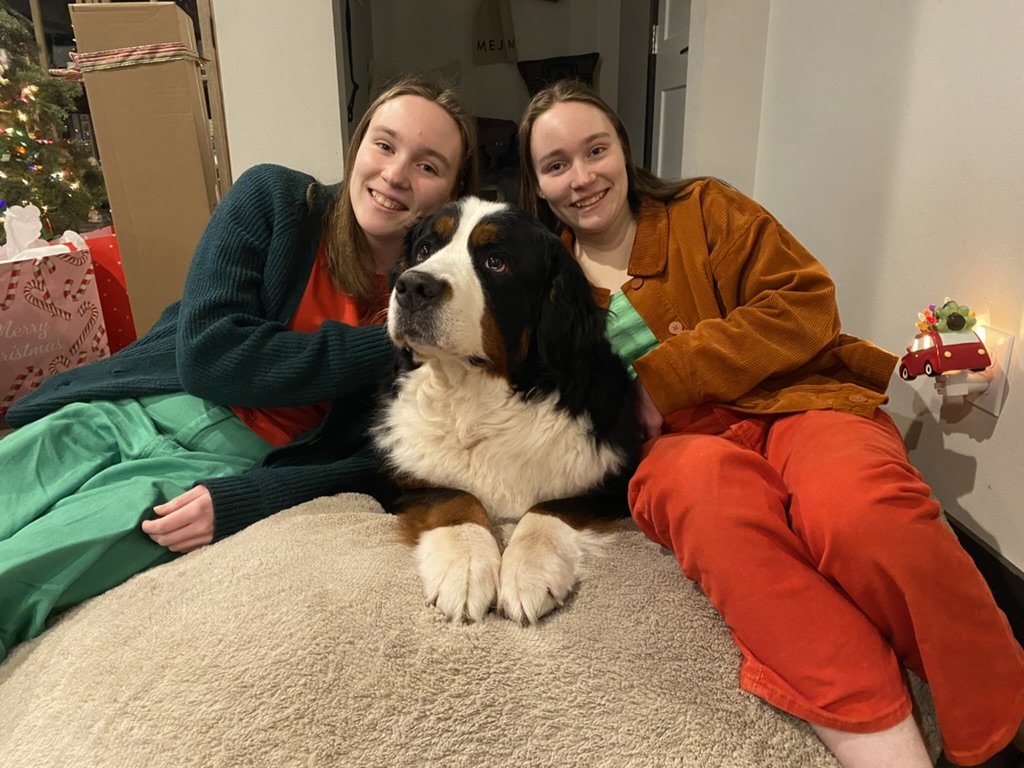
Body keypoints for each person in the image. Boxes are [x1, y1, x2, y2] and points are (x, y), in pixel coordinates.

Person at [516, 79, 1024, 768]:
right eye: (556, 165)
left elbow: (807, 305)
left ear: (623, 149)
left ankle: (999, 722)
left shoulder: (705, 208)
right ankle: (882, 738)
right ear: (537, 184)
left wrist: (665, 378)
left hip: (799, 399)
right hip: (678, 450)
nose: (581, 178)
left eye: (594, 150)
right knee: (717, 517)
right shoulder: (543, 279)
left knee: (866, 515)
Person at [0, 75, 480, 663]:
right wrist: (393, 344)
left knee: (18, 579)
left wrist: (247, 499)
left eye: (428, 165)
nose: (395, 174)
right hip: (136, 404)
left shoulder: (445, 303)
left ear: (455, 193)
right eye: (384, 145)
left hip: (227, 457)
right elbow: (209, 356)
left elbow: (388, 459)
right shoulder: (274, 199)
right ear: (357, 147)